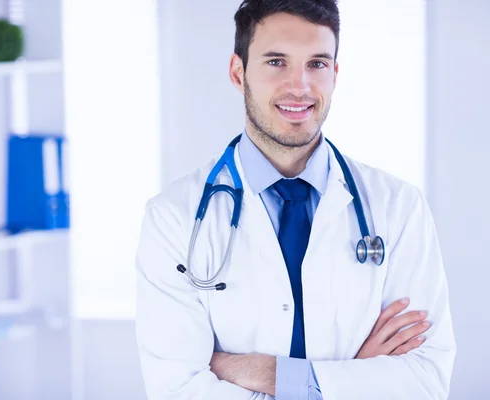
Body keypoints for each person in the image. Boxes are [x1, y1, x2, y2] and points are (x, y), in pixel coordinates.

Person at [134, 0, 456, 398]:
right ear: (239, 73)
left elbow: (425, 381)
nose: (300, 85)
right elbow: (177, 389)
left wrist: (273, 376)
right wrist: (352, 378)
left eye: (317, 63)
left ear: (335, 74)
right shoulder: (173, 218)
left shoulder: (398, 208)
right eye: (276, 62)